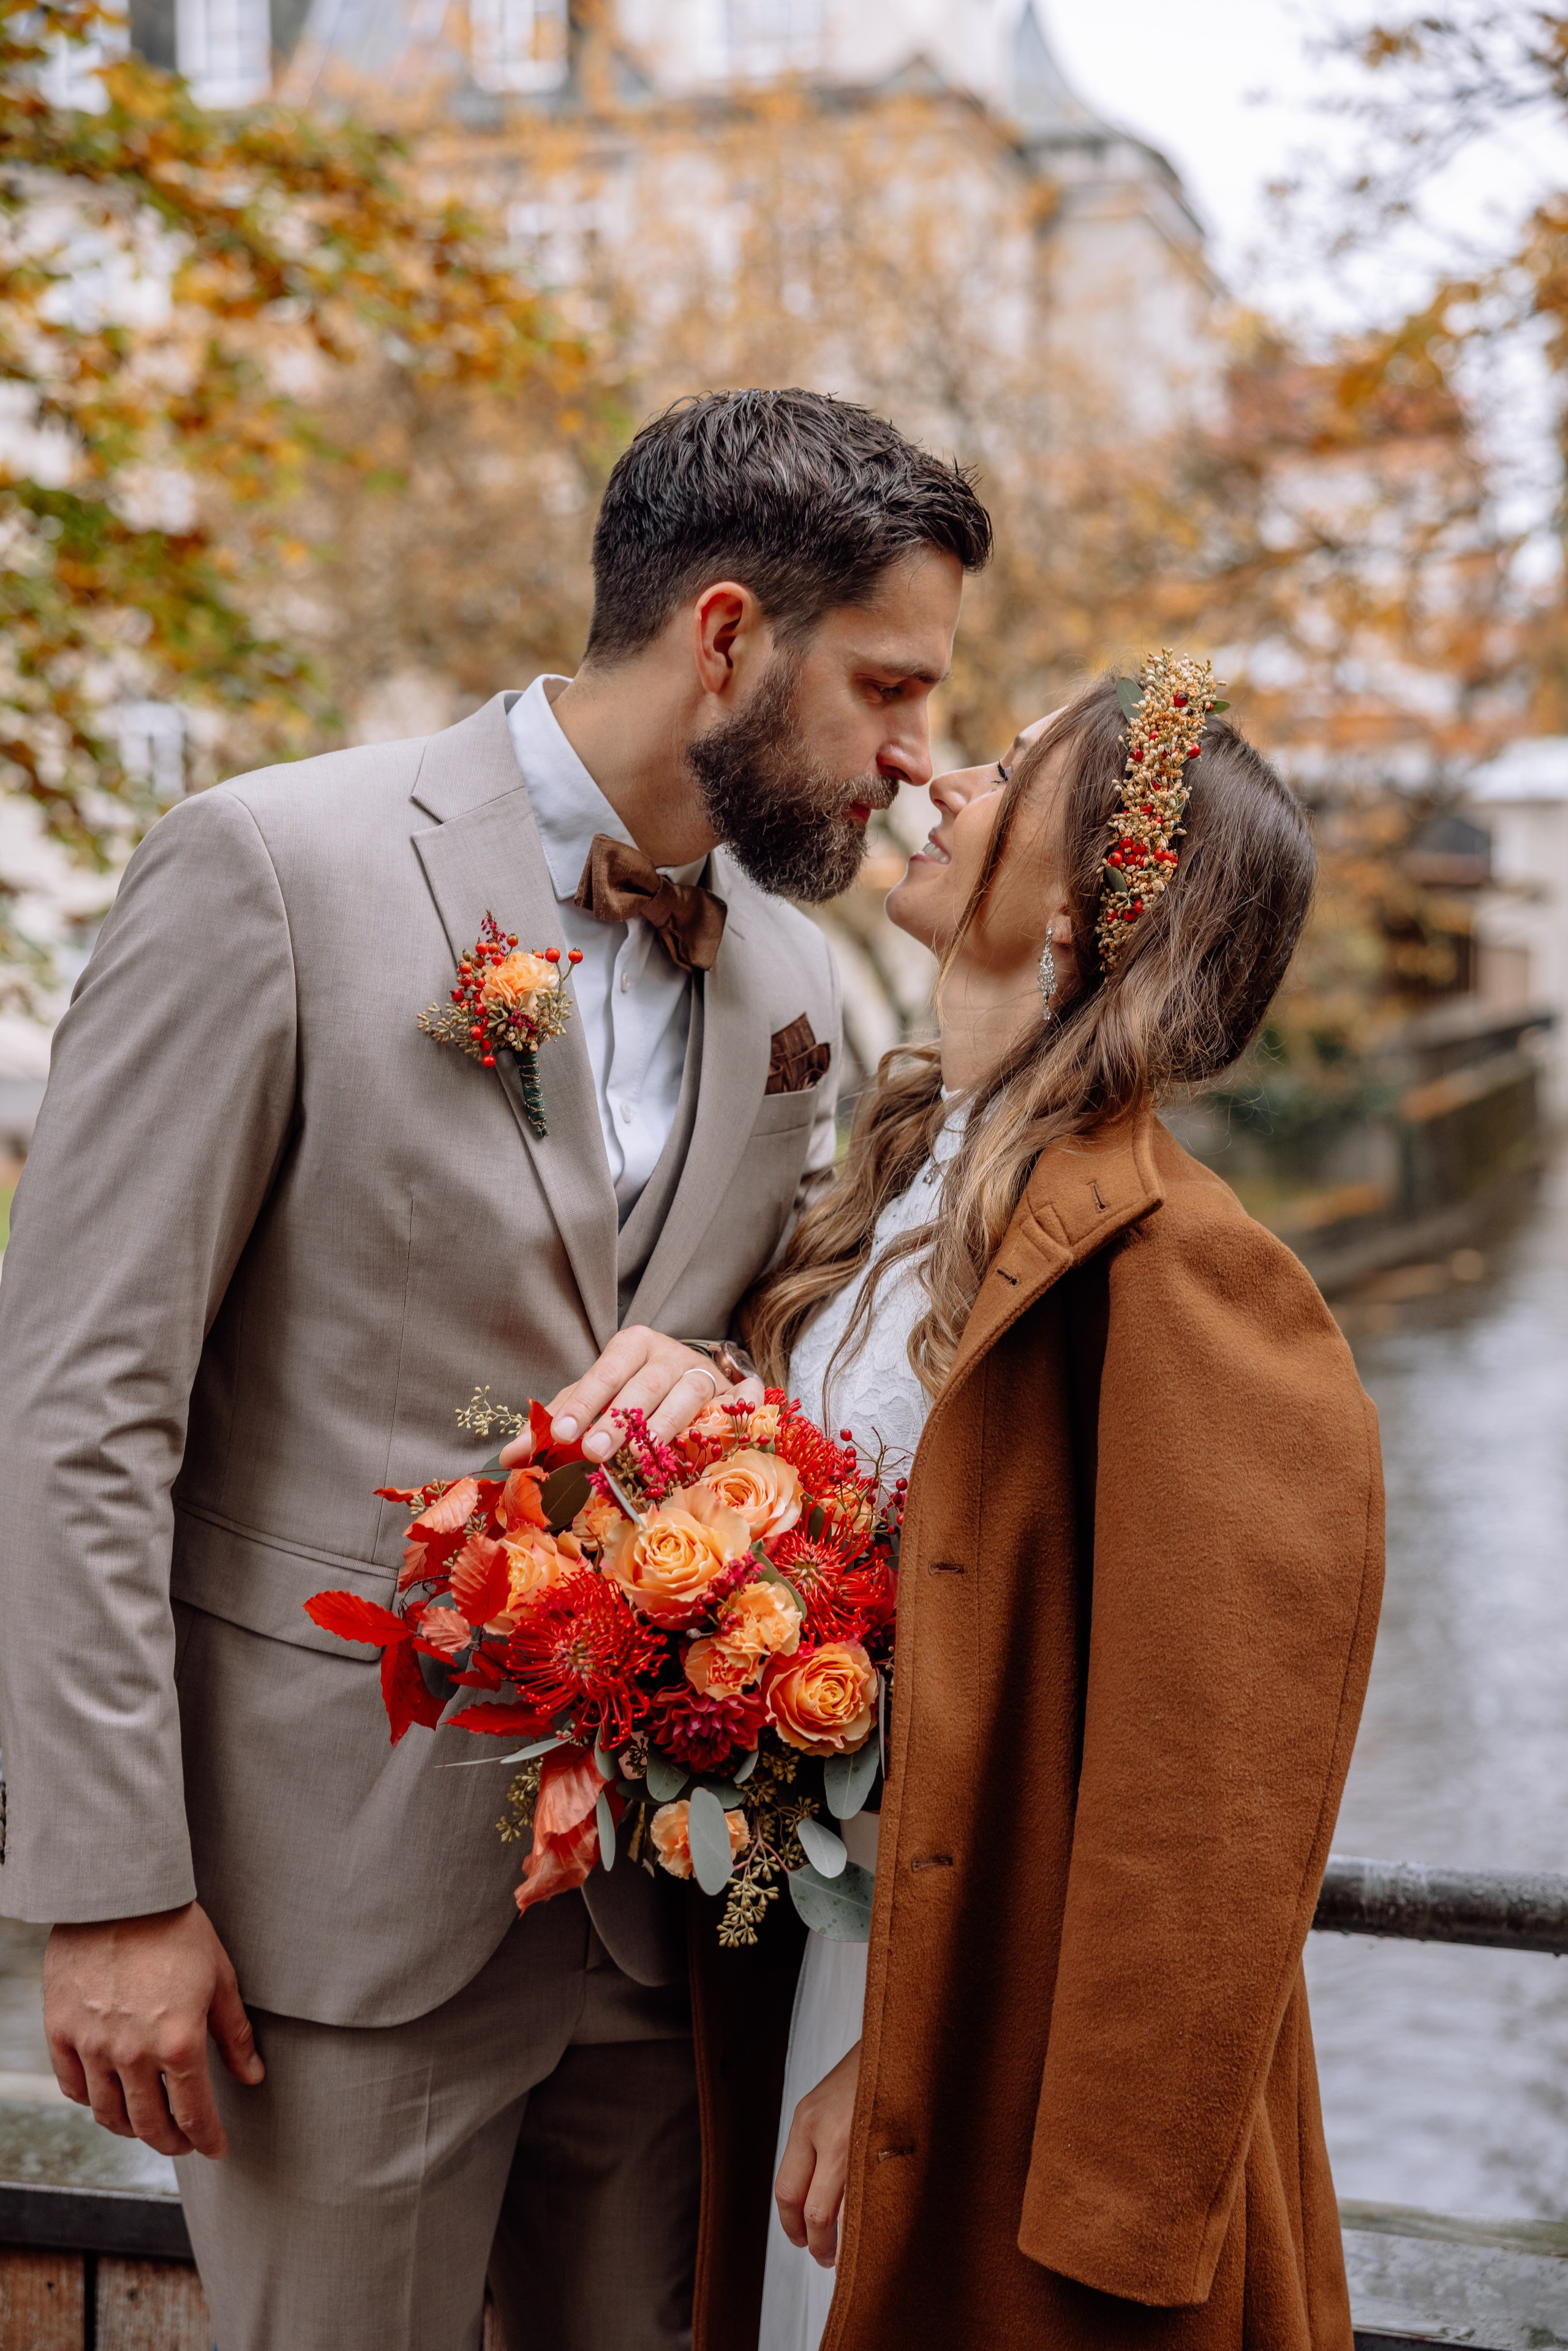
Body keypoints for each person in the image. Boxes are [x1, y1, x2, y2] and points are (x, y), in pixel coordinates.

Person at [0, 387, 992, 2351]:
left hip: (660, 1922)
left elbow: (742, 1360)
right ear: (727, 636)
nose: (914, 756)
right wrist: (108, 1890)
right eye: (888, 686)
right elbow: (77, 1406)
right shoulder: (271, 866)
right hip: (323, 1926)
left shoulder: (793, 980)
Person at [725, 664, 1384, 2350]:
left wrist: (932, 2071)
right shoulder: (889, 1179)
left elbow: (1208, 1824)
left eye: (1009, 770)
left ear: (1089, 906)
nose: (943, 779)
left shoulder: (1192, 1275)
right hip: (832, 1989)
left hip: (1000, 2073)